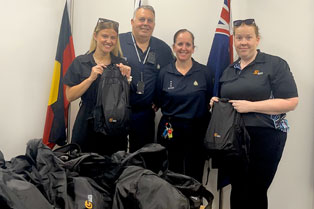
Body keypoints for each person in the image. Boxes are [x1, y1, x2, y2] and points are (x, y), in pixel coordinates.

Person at [210, 19, 298, 209]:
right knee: (238, 187)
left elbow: (291, 102)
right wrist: (217, 103)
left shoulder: (275, 64)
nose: (243, 42)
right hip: (233, 138)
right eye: (239, 38)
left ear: (257, 39)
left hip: (266, 136)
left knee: (256, 190)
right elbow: (230, 101)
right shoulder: (229, 70)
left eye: (248, 37)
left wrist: (251, 106)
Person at [64, 18, 131, 156]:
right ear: (96, 36)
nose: (109, 41)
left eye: (113, 37)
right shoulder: (81, 62)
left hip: (112, 125)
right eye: (104, 36)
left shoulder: (120, 64)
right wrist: (90, 79)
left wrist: (127, 79)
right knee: (82, 169)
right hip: (86, 125)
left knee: (112, 169)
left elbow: (127, 99)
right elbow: (70, 96)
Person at [155, 29, 213, 182]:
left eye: (188, 44)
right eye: (180, 44)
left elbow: (208, 102)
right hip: (170, 130)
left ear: (193, 48)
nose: (184, 48)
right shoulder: (164, 73)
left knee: (195, 172)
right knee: (171, 173)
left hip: (197, 131)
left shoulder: (204, 72)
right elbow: (158, 101)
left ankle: (194, 203)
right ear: (174, 47)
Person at [119, 5, 174, 152]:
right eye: (141, 19)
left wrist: (159, 101)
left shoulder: (163, 48)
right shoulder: (118, 42)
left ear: (154, 25)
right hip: (117, 111)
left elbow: (171, 76)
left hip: (145, 113)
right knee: (116, 154)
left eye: (150, 20)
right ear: (132, 22)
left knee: (142, 156)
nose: (145, 23)